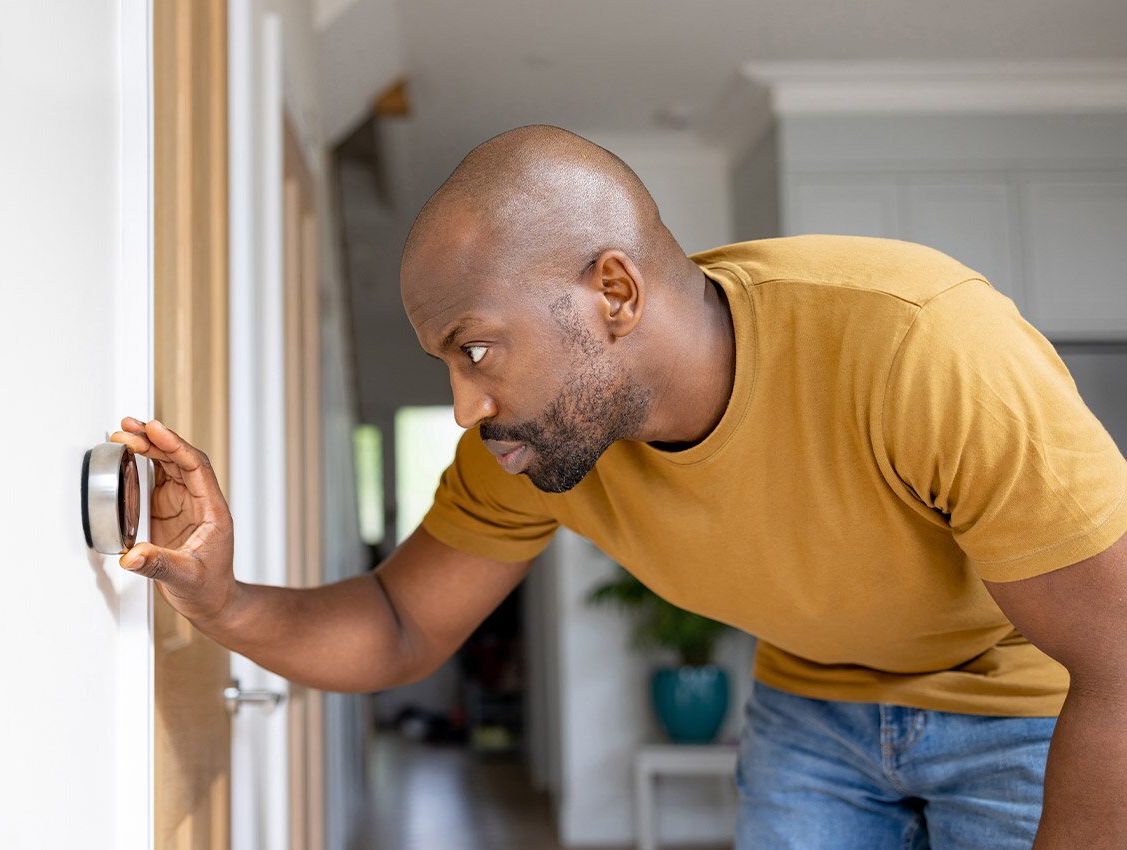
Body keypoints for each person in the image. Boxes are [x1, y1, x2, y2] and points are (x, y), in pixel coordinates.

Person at [111, 125, 1127, 849]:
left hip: (1030, 706)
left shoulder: (919, 343)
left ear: (612, 292)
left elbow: (1117, 663)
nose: (466, 407)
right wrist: (221, 595)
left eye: (475, 347)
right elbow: (396, 624)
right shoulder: (532, 444)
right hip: (812, 706)